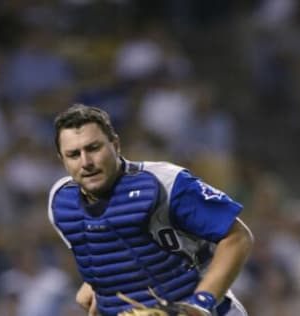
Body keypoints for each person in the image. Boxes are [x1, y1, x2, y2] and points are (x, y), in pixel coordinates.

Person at [48, 104, 254, 316]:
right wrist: (96, 285)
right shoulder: (61, 204)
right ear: (61, 160)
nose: (86, 162)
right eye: (73, 154)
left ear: (115, 145)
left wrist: (200, 303)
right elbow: (111, 254)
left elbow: (237, 237)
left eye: (93, 148)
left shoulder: (165, 182)